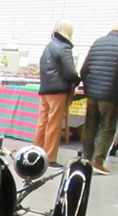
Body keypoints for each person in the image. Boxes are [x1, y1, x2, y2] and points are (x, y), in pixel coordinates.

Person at [80, 20, 118, 176]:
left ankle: (86, 158)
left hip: (92, 93)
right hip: (110, 95)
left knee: (90, 126)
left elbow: (84, 69)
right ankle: (98, 161)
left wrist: (88, 87)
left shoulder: (98, 42)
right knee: (107, 128)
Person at [33, 19, 80, 167]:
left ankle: (36, 151)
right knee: (54, 124)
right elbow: (70, 72)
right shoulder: (64, 47)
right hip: (58, 90)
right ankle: (50, 157)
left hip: (45, 88)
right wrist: (77, 80)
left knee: (42, 121)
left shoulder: (49, 46)